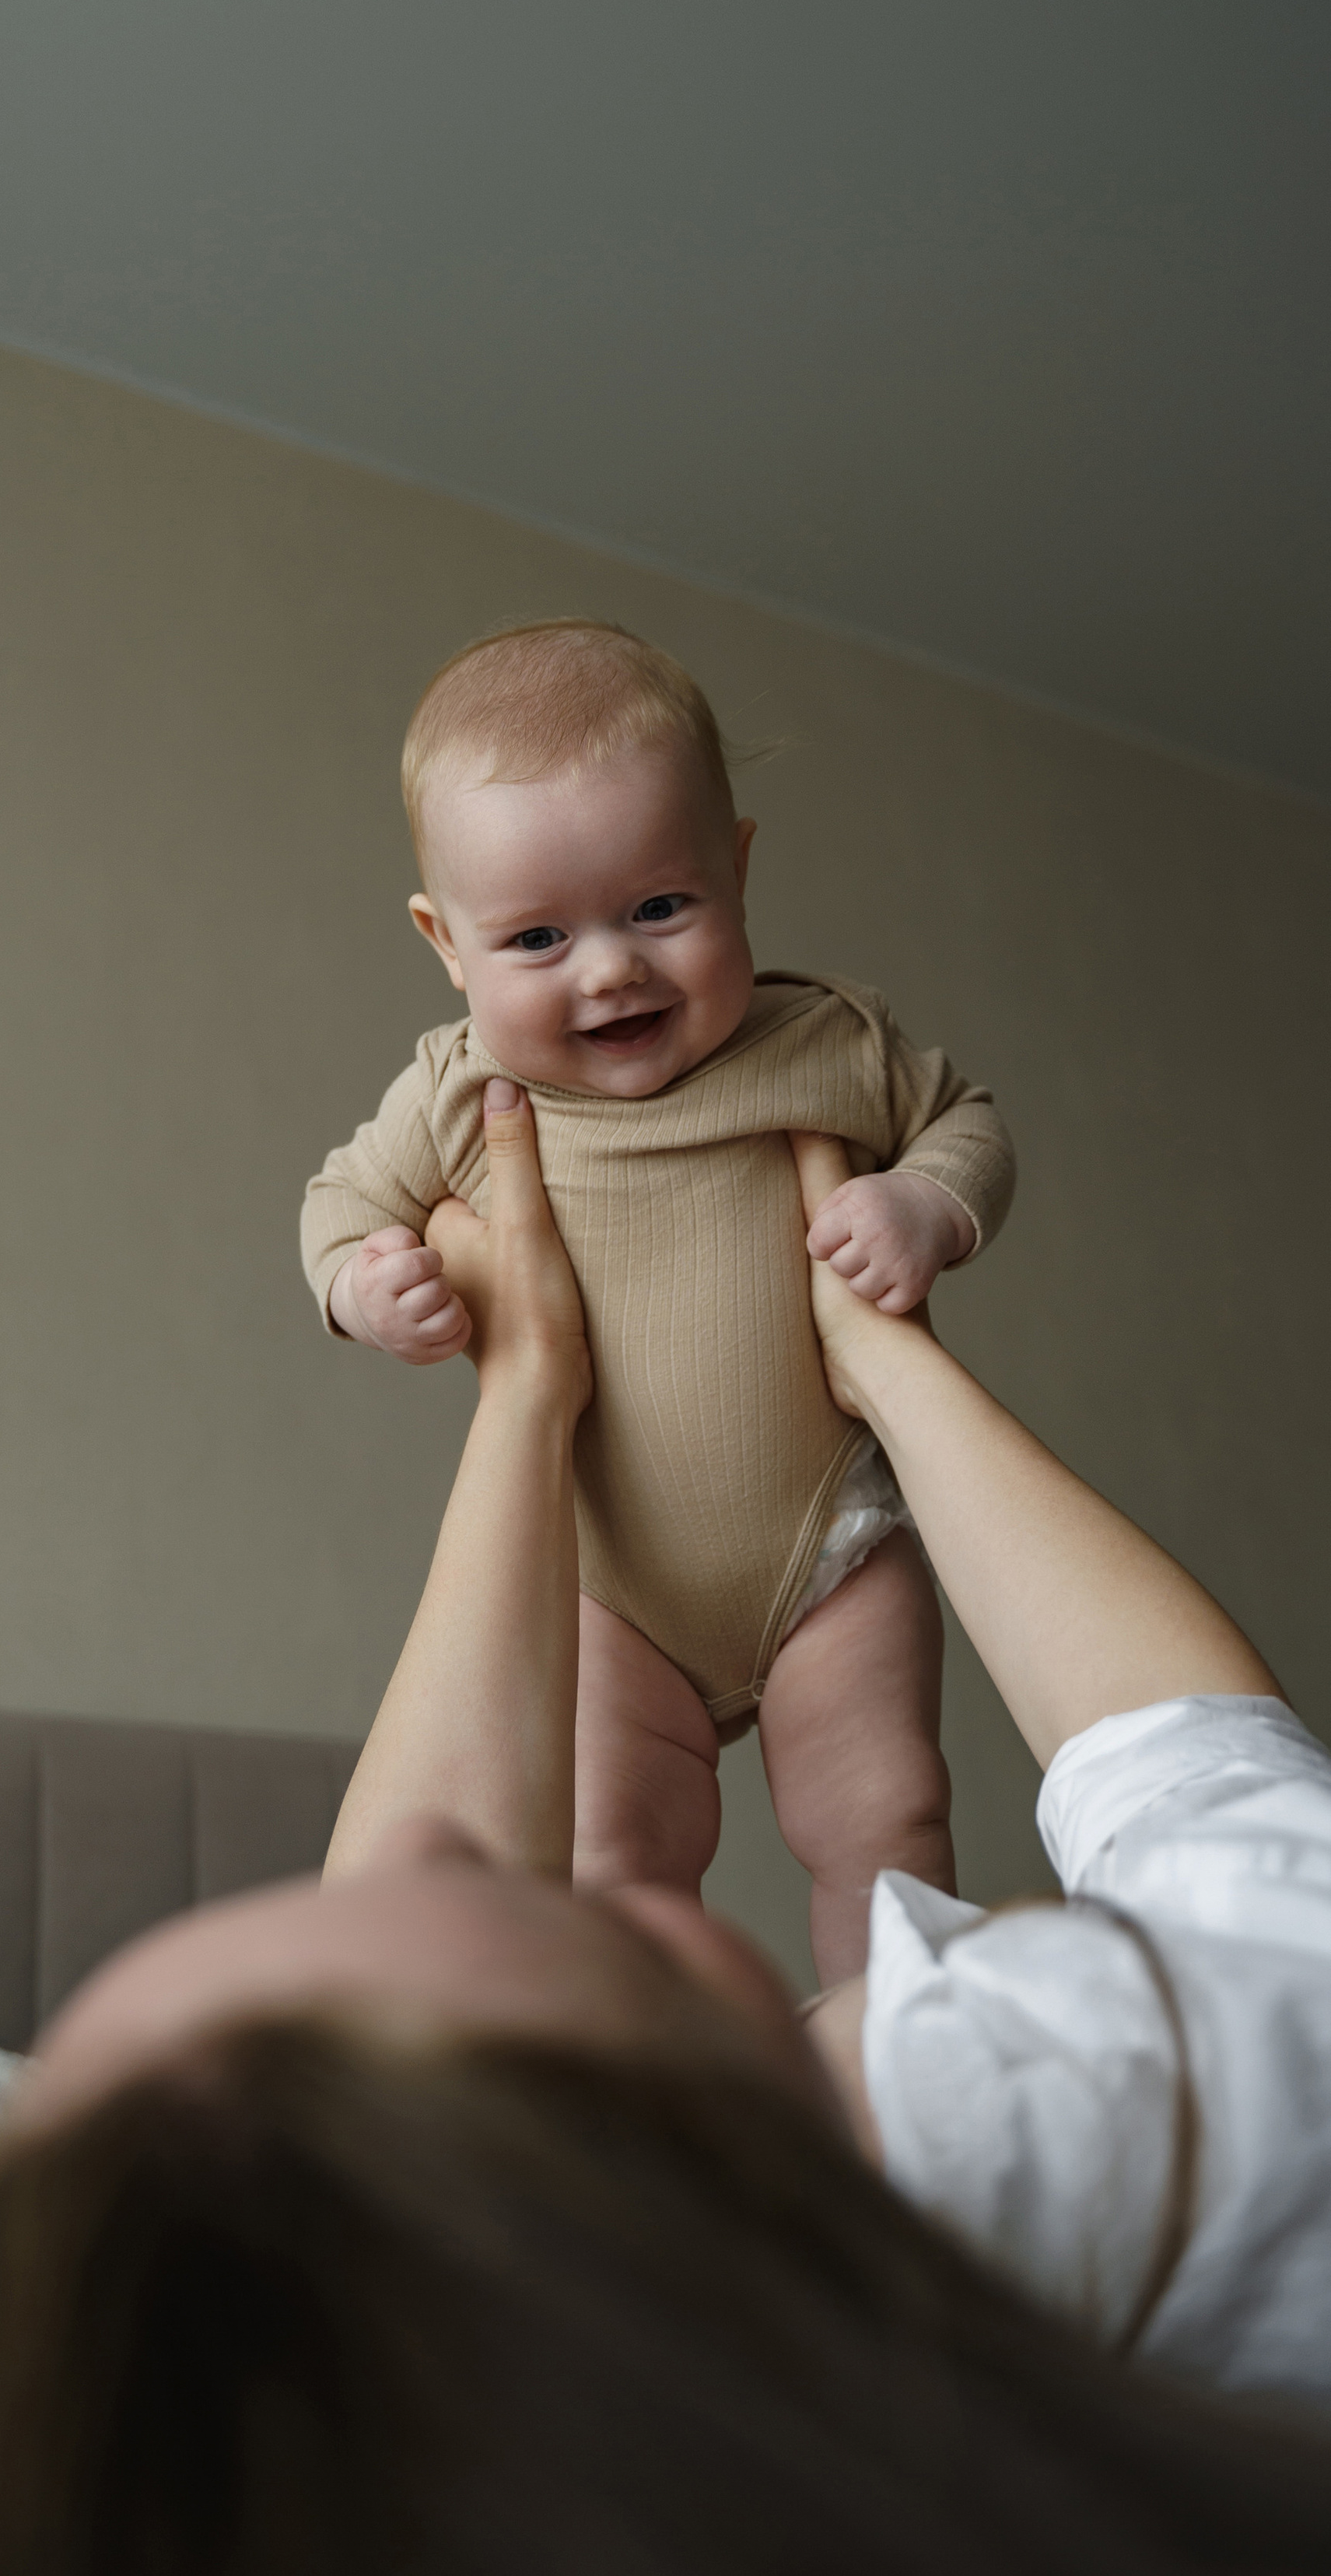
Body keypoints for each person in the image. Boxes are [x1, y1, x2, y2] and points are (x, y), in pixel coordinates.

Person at [0, 1079, 1331, 2576]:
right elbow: (1212, 1793)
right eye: (496, 1888)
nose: (419, 1854)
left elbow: (395, 1931)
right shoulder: (1042, 2126)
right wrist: (883, 1367)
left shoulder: (489, 2420)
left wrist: (528, 1385)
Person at [300, 619, 1015, 1978]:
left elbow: (967, 1122)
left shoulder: (822, 1039)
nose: (609, 968)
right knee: (618, 1859)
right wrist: (363, 1287)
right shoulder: (458, 1093)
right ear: (446, 943)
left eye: (659, 909)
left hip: (828, 1548)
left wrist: (926, 1205)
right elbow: (337, 1204)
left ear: (735, 868)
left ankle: (901, 2052)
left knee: (887, 1816)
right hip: (604, 1582)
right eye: (536, 937)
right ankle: (676, 2073)